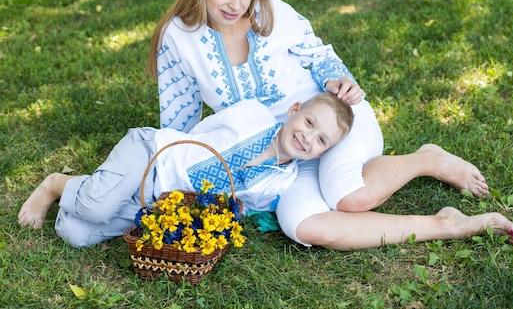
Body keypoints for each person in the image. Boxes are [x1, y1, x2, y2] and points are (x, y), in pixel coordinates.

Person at [145, 0, 513, 250]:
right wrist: (174, 177)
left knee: (348, 197)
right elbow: (180, 118)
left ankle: (427, 159)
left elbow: (320, 55)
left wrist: (335, 80)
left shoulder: (271, 12)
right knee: (307, 226)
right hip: (281, 159)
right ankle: (446, 224)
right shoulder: (178, 37)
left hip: (327, 122)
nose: (237, 4)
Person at [17, 92, 355, 247]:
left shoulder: (280, 181)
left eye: (321, 140)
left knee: (75, 235)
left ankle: (92, 191)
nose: (308, 137)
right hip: (153, 154)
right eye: (309, 122)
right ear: (294, 110)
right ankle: (54, 185)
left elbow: (243, 207)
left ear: (321, 153)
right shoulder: (253, 114)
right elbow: (205, 130)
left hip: (160, 203)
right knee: (96, 205)